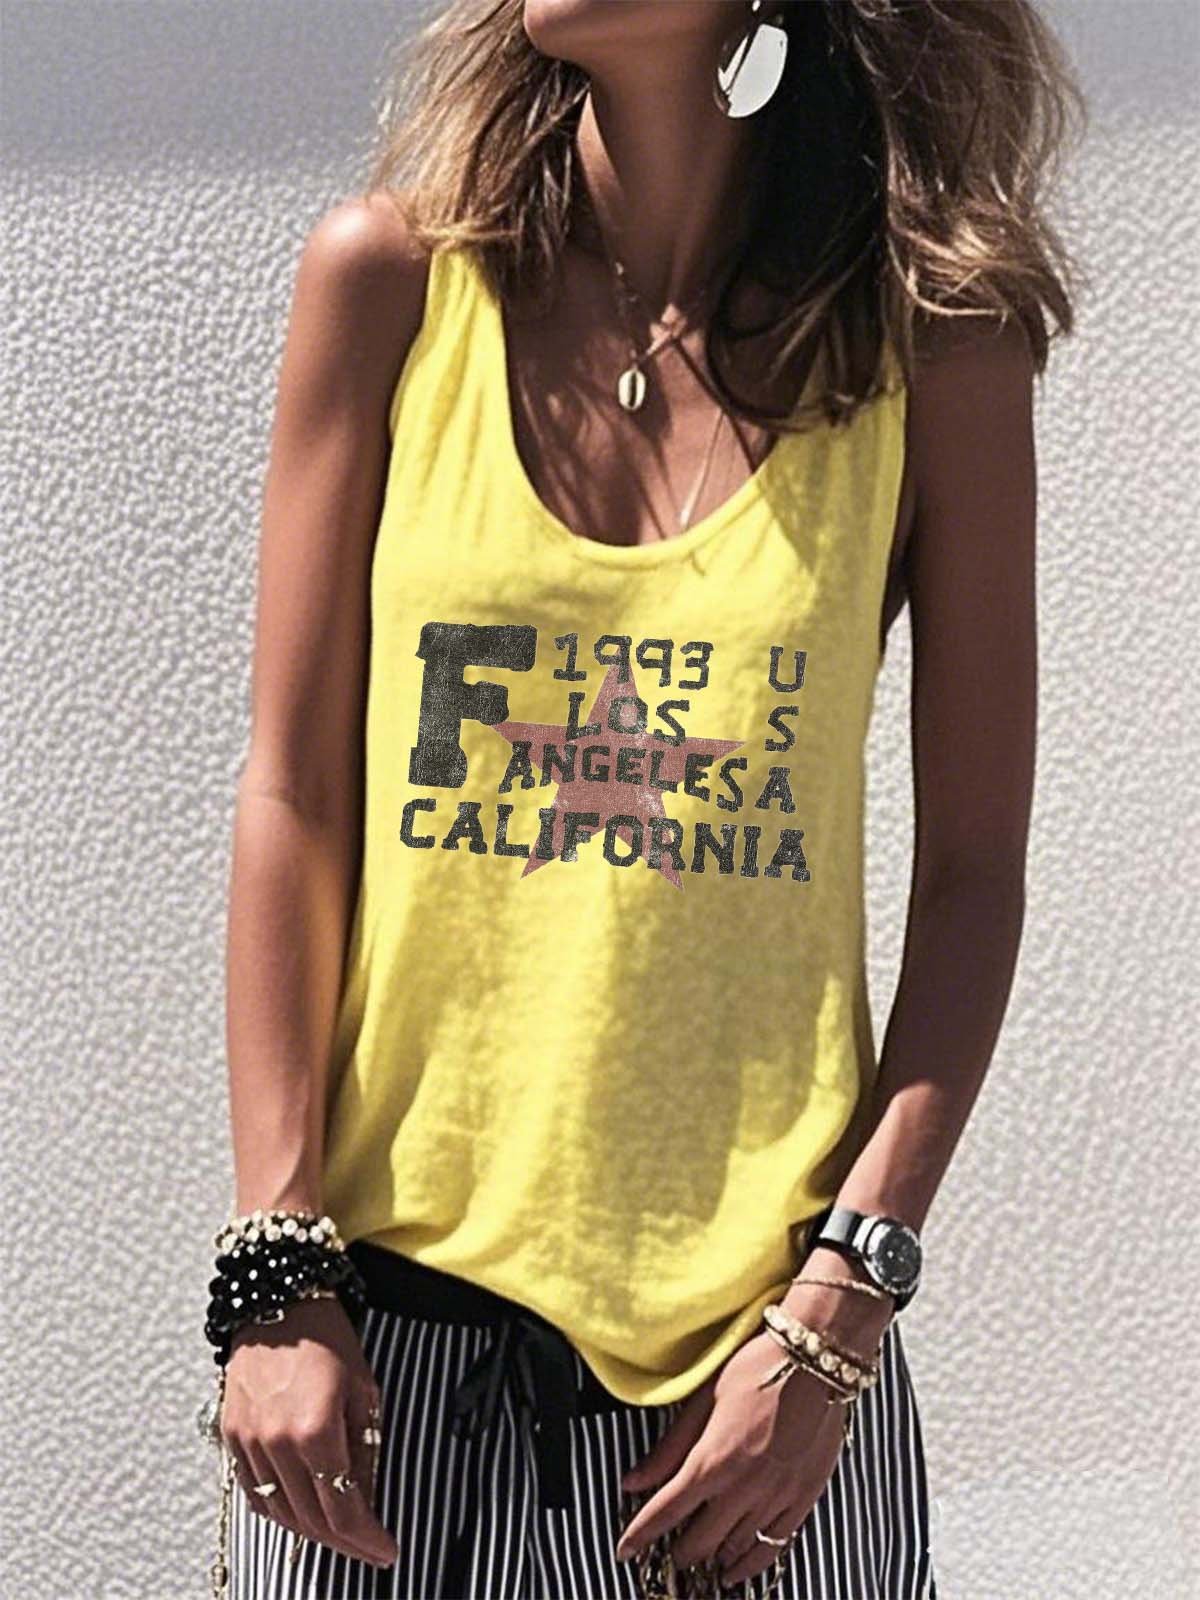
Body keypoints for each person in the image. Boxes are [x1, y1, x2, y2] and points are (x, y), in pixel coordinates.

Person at [201, 2, 1083, 1597]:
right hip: (374, 1384)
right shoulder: (392, 284)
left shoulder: (933, 348)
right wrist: (273, 1269)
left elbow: (975, 871)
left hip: (755, 1411)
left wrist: (836, 1322)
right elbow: (293, 791)